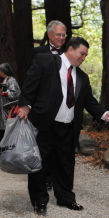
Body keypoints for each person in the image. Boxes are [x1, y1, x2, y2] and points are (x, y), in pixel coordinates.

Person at [18, 37, 109, 215]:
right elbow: (30, 83)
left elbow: (90, 102)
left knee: (65, 164)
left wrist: (104, 114)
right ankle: (39, 201)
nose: (83, 58)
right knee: (39, 164)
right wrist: (25, 105)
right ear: (70, 49)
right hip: (45, 124)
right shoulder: (46, 61)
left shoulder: (82, 77)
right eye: (82, 54)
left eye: (86, 55)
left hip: (68, 128)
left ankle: (65, 198)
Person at [29, 20, 69, 191]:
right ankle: (43, 178)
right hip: (43, 109)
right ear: (49, 35)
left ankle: (55, 178)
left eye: (63, 35)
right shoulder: (37, 52)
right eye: (58, 34)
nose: (61, 38)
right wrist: (29, 104)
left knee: (58, 149)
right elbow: (31, 79)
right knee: (43, 147)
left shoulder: (69, 52)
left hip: (64, 109)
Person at [0, 63, 21, 144]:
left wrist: (6, 92)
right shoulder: (4, 80)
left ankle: (10, 145)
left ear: (3, 71)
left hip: (9, 110)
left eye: (0, 70)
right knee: (4, 129)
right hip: (2, 110)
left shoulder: (12, 81)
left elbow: (16, 94)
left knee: (8, 128)